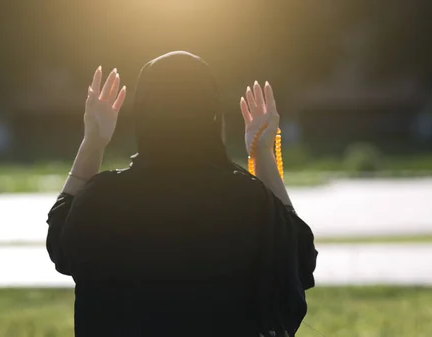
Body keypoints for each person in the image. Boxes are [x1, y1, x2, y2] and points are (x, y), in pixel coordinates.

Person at [46, 51, 317, 337]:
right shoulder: (246, 200)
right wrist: (262, 154)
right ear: (211, 113)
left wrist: (93, 142)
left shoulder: (104, 199)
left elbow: (61, 245)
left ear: (143, 112)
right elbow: (298, 257)